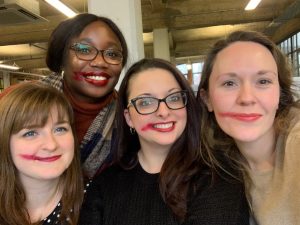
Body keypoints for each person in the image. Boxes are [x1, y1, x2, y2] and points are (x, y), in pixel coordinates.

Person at [79, 58, 249, 225]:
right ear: (129, 117)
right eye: (145, 102)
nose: (163, 111)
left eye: (174, 98)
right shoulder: (105, 185)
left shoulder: (218, 175)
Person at [197, 30, 300, 225]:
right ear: (207, 99)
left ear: (280, 94)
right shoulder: (216, 162)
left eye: (263, 81)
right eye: (229, 83)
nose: (246, 98)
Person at [43, 13, 128, 178]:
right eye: (84, 50)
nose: (100, 62)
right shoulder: (16, 105)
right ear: (61, 58)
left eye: (112, 54)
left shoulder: (130, 120)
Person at [0, 82, 83, 225]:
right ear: (5, 142)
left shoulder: (99, 200)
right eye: (31, 133)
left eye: (60, 129)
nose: (51, 145)